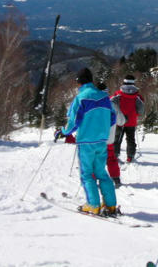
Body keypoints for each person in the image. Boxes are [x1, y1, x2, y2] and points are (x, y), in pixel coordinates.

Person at [61, 68, 118, 216]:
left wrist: (63, 131)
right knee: (101, 172)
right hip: (102, 140)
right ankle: (111, 205)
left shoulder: (81, 98)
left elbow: (73, 122)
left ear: (79, 82)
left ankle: (93, 205)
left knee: (87, 174)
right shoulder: (104, 97)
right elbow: (113, 118)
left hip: (86, 141)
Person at [97, 82, 125, 188]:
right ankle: (116, 178)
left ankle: (94, 180)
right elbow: (121, 121)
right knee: (111, 159)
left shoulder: (90, 105)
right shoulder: (112, 105)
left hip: (95, 139)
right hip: (109, 138)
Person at [112, 74, 144, 163]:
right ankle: (130, 157)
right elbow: (141, 109)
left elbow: (111, 104)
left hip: (120, 120)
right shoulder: (137, 96)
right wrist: (135, 115)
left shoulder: (118, 94)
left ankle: (115, 156)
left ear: (124, 82)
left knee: (117, 139)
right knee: (130, 139)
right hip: (132, 121)